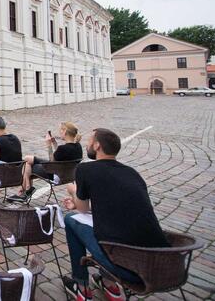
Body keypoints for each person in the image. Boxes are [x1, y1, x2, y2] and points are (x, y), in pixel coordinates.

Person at [61, 128, 168, 301]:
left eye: (89, 140)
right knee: (113, 228)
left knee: (71, 219)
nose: (87, 143)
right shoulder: (132, 173)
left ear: (97, 146)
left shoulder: (85, 169)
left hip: (124, 266)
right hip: (157, 265)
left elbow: (80, 209)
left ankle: (81, 286)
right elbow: (113, 208)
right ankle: (109, 285)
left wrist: (73, 191)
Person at [8, 121, 83, 202]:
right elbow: (61, 157)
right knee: (27, 159)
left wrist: (49, 146)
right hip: (68, 175)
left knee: (27, 164)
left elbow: (51, 163)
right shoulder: (78, 146)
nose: (59, 132)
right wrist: (54, 143)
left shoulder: (63, 149)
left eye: (60, 130)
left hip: (56, 175)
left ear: (65, 131)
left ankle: (26, 191)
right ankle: (24, 190)